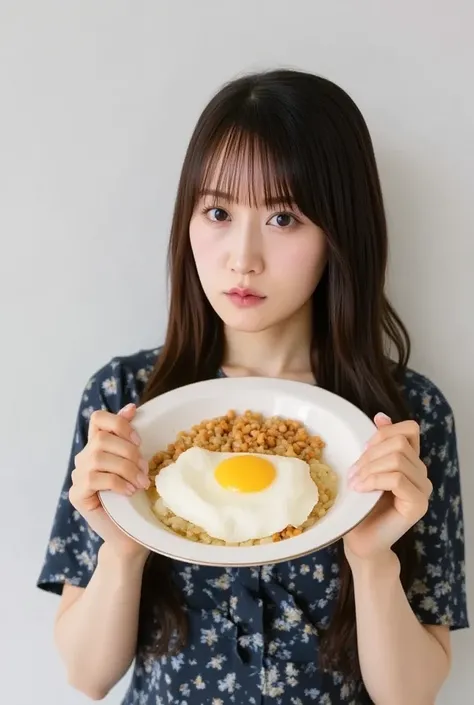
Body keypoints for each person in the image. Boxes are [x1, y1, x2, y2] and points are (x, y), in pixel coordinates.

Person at [37, 69, 468, 705]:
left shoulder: (404, 416)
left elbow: (412, 696)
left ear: (338, 232)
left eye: (284, 218)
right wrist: (123, 546)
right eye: (217, 212)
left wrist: (373, 556)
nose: (243, 257)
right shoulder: (127, 396)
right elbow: (86, 674)